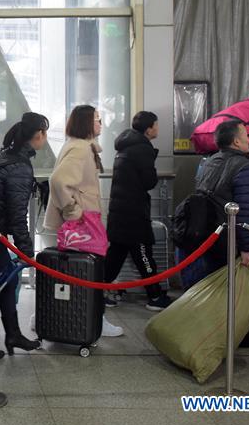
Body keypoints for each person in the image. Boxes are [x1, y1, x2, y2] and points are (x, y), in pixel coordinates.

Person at [0, 112, 47, 358]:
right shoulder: (20, 167)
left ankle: (12, 334)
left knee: (7, 282)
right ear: (39, 135)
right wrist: (27, 251)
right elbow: (17, 215)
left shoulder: (3, 154)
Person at [195, 120, 249, 348]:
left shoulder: (210, 162)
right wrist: (248, 247)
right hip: (231, 238)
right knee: (240, 288)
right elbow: (246, 210)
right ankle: (244, 334)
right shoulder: (245, 167)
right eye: (246, 135)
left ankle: (238, 330)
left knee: (222, 286)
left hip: (210, 233)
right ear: (236, 141)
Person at [46, 105, 123, 338]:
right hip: (81, 223)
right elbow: (58, 180)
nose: (101, 124)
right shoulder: (81, 149)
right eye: (97, 120)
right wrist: (73, 211)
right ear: (87, 123)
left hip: (75, 222)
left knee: (67, 273)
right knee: (89, 273)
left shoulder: (75, 145)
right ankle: (95, 318)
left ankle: (52, 314)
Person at [103, 111, 172, 311]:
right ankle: (155, 296)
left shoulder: (125, 146)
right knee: (143, 253)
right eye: (156, 125)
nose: (158, 128)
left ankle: (98, 290)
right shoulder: (142, 148)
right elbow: (149, 181)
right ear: (149, 128)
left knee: (116, 253)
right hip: (133, 212)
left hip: (120, 210)